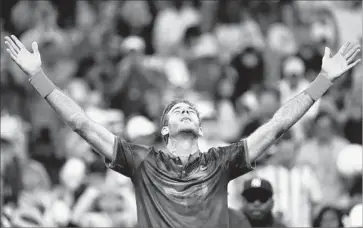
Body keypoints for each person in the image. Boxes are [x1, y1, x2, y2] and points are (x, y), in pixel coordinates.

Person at [4, 35, 361, 227]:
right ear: (165, 128)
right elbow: (81, 123)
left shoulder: (222, 161)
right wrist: (38, 76)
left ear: (201, 127)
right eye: (177, 110)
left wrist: (322, 81)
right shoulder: (141, 161)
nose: (186, 110)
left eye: (190, 110)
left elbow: (279, 123)